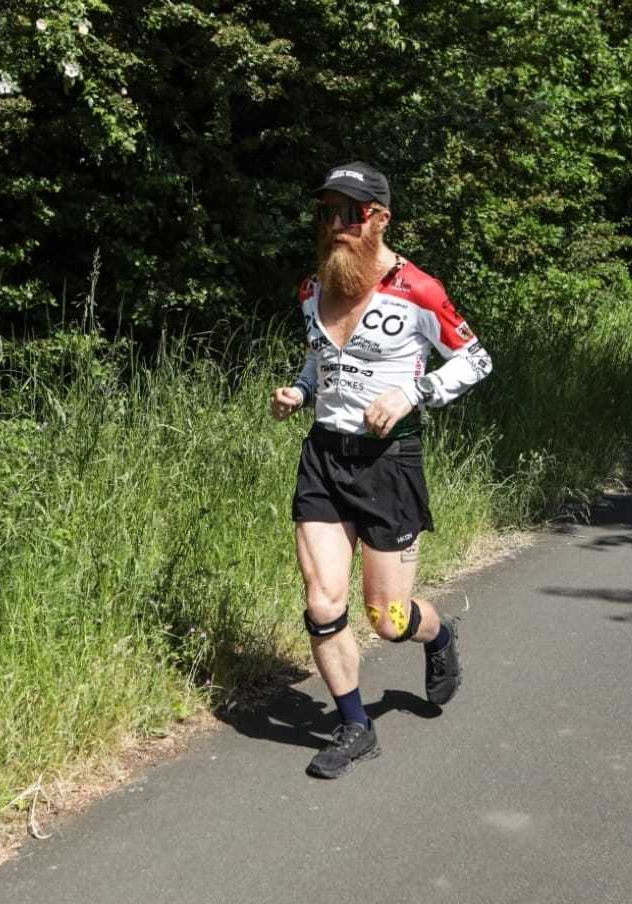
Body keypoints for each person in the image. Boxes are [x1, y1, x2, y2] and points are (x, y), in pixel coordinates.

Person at [269, 161, 493, 779]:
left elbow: (475, 360)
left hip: (388, 463)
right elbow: (321, 362)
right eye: (328, 212)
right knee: (321, 600)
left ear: (380, 219)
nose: (337, 224)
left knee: (387, 620)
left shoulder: (418, 288)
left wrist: (410, 396)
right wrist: (300, 390)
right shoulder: (313, 288)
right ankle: (354, 725)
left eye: (351, 212)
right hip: (324, 456)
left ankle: (440, 637)